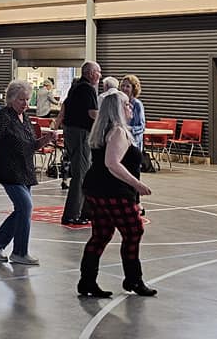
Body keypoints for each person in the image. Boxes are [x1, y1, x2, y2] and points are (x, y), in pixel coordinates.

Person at [78, 90, 155, 298]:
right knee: (133, 231)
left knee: (101, 234)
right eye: (127, 105)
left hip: (95, 188)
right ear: (118, 109)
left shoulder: (101, 130)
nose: (130, 108)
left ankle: (87, 281)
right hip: (113, 191)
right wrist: (137, 184)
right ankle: (133, 279)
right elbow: (112, 163)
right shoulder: (118, 131)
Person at [0, 79, 55, 265]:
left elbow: (31, 145)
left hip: (25, 170)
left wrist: (46, 139)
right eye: (21, 99)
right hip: (8, 169)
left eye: (27, 99)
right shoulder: (3, 117)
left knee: (23, 209)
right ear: (11, 99)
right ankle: (20, 252)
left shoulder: (25, 118)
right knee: (25, 207)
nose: (25, 104)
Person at [59, 62, 101, 226]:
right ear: (90, 73)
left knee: (86, 173)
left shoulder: (75, 87)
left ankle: (86, 210)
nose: (100, 75)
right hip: (81, 134)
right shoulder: (88, 89)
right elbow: (92, 113)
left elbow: (64, 108)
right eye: (98, 72)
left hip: (72, 132)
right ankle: (72, 214)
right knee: (81, 174)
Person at [120, 76, 145, 151]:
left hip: (133, 142)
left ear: (133, 89)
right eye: (123, 85)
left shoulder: (137, 104)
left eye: (128, 86)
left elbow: (141, 127)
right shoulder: (119, 102)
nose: (124, 88)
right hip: (121, 141)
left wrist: (129, 129)